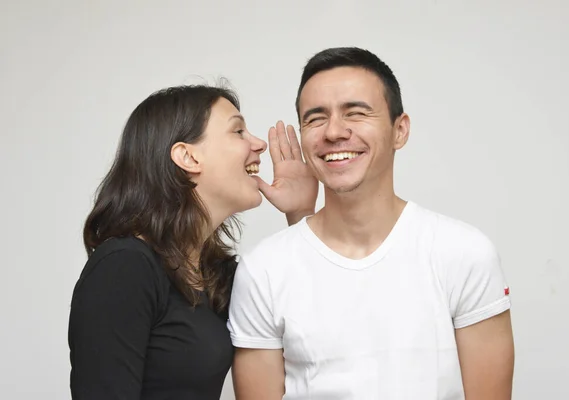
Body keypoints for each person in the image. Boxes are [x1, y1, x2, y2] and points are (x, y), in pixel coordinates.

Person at [228, 47, 515, 400]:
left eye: (356, 112)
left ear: (400, 130)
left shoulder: (464, 253)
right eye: (315, 119)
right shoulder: (263, 270)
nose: (334, 131)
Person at [67, 84, 318, 400]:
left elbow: (312, 329)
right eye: (238, 131)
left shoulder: (217, 275)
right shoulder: (124, 267)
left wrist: (300, 214)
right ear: (187, 156)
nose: (258, 144)